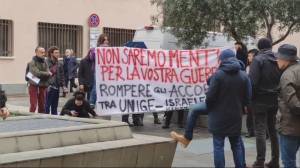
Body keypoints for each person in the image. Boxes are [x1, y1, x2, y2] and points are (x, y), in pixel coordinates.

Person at [174, 49, 251, 167]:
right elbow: (248, 98)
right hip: (235, 115)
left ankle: (187, 137)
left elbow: (210, 97)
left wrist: (211, 108)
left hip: (218, 115)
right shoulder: (244, 76)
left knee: (218, 145)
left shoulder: (218, 75)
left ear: (222, 60)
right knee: (236, 145)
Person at [249, 38, 281, 168]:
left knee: (260, 130)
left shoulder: (258, 59)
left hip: (260, 99)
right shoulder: (279, 58)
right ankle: (275, 160)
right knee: (273, 130)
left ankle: (260, 161)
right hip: (275, 98)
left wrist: (251, 98)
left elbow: (253, 82)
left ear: (259, 47)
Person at [276, 44, 300, 168]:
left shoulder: (287, 75)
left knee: (288, 161)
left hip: (290, 127)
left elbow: (294, 105)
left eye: (278, 58)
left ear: (285, 59)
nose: (277, 61)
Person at [28, 46, 52, 113]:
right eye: (41, 52)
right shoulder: (32, 62)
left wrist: (46, 73)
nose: (43, 54)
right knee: (33, 105)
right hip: (33, 85)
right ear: (36, 52)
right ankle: (30, 118)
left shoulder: (45, 62)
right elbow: (36, 73)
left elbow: (48, 73)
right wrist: (47, 73)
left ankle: (41, 118)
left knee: (42, 105)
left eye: (44, 52)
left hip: (43, 85)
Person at [45, 46, 66, 115]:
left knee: (55, 105)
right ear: (51, 54)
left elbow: (62, 75)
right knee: (47, 105)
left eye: (58, 53)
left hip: (57, 87)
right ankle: (46, 119)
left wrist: (63, 86)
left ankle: (55, 118)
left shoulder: (60, 63)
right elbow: (45, 74)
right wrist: (47, 84)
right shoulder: (46, 62)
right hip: (49, 87)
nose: (58, 54)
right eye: (56, 53)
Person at [245, 49, 259, 138]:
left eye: (250, 56)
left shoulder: (258, 67)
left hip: (257, 94)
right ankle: (250, 131)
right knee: (249, 114)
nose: (248, 57)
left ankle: (261, 133)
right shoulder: (247, 67)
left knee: (257, 115)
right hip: (249, 94)